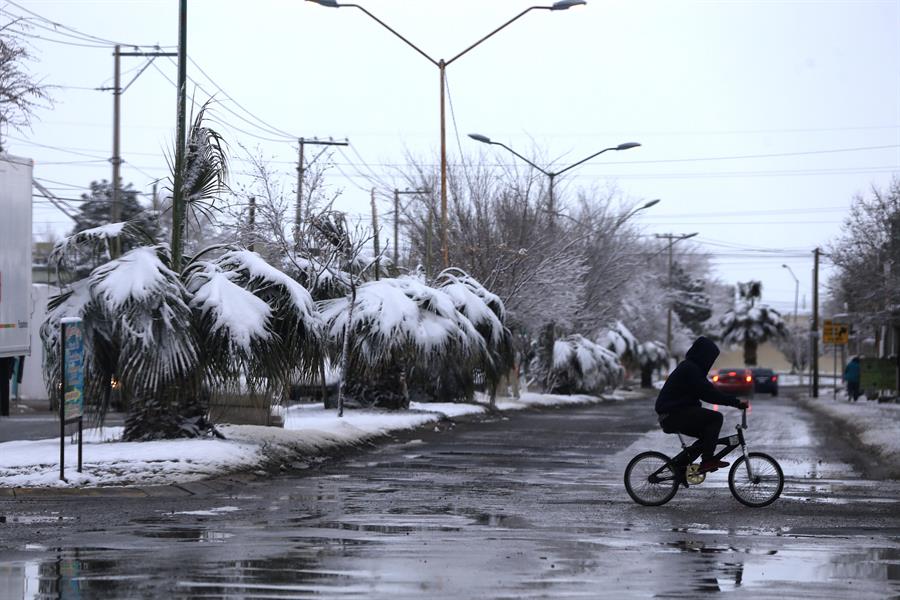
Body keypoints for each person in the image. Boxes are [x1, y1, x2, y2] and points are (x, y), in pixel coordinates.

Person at [655, 336, 749, 473]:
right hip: (672, 413)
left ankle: (679, 467)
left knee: (707, 435)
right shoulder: (690, 369)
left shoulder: (691, 368)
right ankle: (708, 460)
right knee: (716, 418)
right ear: (703, 355)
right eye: (710, 357)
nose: (710, 362)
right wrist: (735, 402)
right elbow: (708, 393)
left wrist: (733, 402)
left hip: (674, 412)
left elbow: (706, 391)